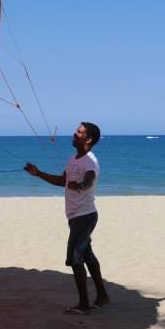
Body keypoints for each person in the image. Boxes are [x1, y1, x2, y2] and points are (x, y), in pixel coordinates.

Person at [24, 122, 110, 315]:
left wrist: (80, 185)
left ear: (88, 139)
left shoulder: (90, 161)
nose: (74, 133)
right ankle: (103, 296)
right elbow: (62, 181)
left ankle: (84, 305)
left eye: (79, 132)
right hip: (76, 217)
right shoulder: (73, 159)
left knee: (75, 258)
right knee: (87, 255)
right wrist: (38, 174)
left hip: (85, 217)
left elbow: (88, 180)